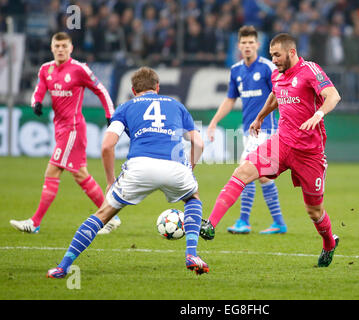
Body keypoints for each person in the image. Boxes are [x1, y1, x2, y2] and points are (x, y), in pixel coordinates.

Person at [46, 67, 209, 278]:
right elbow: (198, 143)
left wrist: (110, 181)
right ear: (157, 88)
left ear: (133, 90)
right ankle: (191, 254)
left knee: (103, 214)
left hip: (139, 167)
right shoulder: (176, 105)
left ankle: (63, 266)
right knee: (193, 198)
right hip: (175, 166)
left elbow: (107, 146)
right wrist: (189, 170)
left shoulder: (125, 108)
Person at [200, 33, 342, 267]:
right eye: (271, 55)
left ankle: (328, 242)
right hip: (282, 143)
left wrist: (318, 114)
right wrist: (259, 118)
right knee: (243, 171)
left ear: (292, 52)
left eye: (277, 55)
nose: (274, 60)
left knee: (314, 211)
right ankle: (211, 224)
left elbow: (333, 96)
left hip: (310, 153)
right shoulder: (277, 75)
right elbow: (275, 96)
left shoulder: (310, 70)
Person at [9, 32, 120, 235]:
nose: (60, 49)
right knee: (80, 174)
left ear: (71, 48)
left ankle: (35, 222)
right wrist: (36, 103)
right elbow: (39, 89)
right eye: (57, 46)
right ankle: (111, 216)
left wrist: (109, 114)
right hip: (60, 128)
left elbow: (101, 90)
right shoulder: (46, 69)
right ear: (52, 47)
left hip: (73, 128)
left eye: (64, 46)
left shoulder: (79, 69)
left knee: (52, 170)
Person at [207, 25, 287, 235]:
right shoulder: (236, 70)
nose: (248, 46)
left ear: (258, 45)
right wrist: (214, 121)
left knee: (245, 169)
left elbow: (279, 95)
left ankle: (243, 221)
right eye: (244, 43)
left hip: (266, 130)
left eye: (251, 42)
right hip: (248, 131)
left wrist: (265, 118)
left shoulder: (268, 68)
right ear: (239, 45)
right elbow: (230, 99)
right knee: (263, 177)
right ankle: (279, 222)